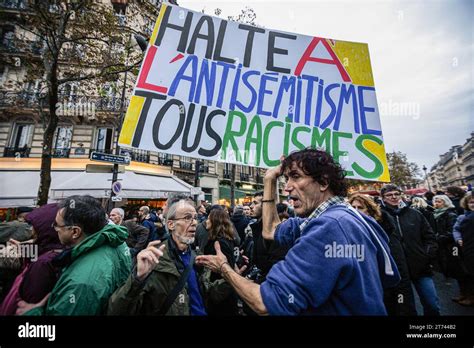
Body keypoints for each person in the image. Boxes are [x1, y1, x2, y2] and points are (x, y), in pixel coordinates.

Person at [196, 149, 400, 315]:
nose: (287, 188)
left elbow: (265, 302)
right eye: (286, 179)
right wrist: (269, 180)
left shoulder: (328, 228)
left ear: (323, 182)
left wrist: (223, 267)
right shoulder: (351, 217)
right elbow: (271, 231)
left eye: (296, 177)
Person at [107, 199, 235, 315]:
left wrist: (230, 278)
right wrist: (137, 279)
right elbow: (117, 310)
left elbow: (206, 293)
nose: (195, 222)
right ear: (171, 225)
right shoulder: (154, 259)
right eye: (187, 217)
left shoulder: (197, 257)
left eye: (195, 217)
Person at [19, 195, 131, 315]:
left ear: (75, 232)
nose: (54, 228)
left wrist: (34, 312)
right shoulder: (115, 240)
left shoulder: (80, 284)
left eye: (57, 224)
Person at [349, 194, 416, 316]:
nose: (356, 211)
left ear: (370, 211)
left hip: (389, 286)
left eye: (360, 208)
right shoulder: (351, 230)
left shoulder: (384, 230)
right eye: (353, 208)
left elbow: (397, 262)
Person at [380, 184, 440, 316]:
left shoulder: (415, 214)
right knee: (405, 308)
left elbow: (430, 237)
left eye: (396, 193)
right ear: (383, 198)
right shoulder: (379, 217)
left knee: (432, 305)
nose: (394, 197)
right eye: (389, 195)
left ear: (401, 195)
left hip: (420, 267)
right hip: (398, 271)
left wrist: (427, 255)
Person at [0, 204, 64, 315]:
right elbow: (40, 250)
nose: (32, 231)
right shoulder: (54, 251)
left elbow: (29, 298)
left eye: (34, 226)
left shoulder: (43, 264)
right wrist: (22, 249)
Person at [203, 208, 241, 315]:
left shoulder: (219, 243)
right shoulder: (224, 240)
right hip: (222, 292)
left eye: (209, 219)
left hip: (221, 293)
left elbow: (226, 268)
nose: (206, 221)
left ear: (215, 221)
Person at [432, 195, 463, 279]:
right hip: (443, 244)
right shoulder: (437, 214)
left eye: (439, 202)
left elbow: (452, 231)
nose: (436, 203)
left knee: (456, 263)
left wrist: (438, 237)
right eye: (435, 201)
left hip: (453, 245)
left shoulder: (450, 215)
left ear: (445, 203)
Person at [452, 192, 474, 306]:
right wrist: (458, 239)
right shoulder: (463, 217)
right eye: (471, 202)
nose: (473, 204)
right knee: (465, 272)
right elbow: (456, 230)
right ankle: (466, 294)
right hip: (465, 249)